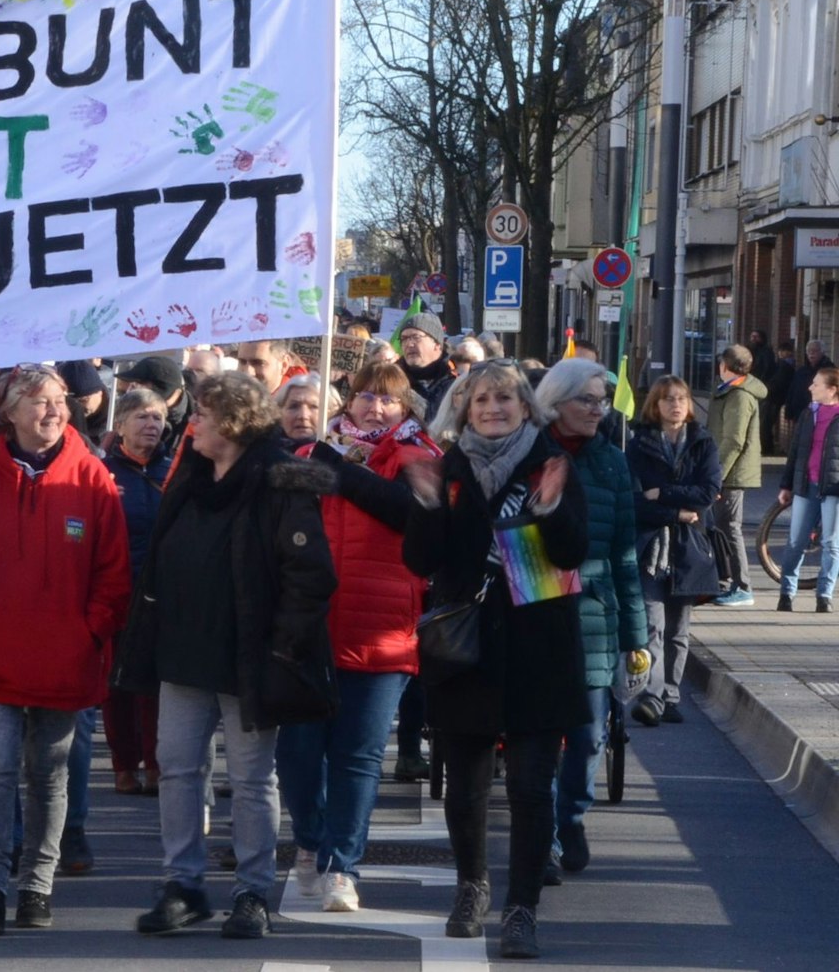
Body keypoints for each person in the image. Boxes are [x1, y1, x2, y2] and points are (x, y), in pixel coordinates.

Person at [134, 373, 336, 943]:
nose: (191, 424)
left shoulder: (279, 480)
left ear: (233, 423)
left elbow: (310, 575)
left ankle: (252, 892)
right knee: (176, 768)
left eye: (203, 414)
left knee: (250, 778)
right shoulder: (192, 477)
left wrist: (283, 646)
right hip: (183, 652)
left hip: (251, 657)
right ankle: (183, 886)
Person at [402, 360, 592, 959]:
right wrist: (430, 507)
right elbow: (421, 562)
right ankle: (471, 887)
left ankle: (521, 909)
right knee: (466, 787)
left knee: (533, 791)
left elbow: (573, 551)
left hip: (540, 645)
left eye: (505, 399)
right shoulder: (448, 469)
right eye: (481, 399)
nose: (492, 408)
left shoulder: (550, 462)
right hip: (467, 650)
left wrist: (551, 508)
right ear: (462, 408)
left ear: (526, 407)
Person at [0, 365, 130, 934]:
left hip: (64, 657)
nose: (54, 410)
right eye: (40, 401)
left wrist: (89, 630)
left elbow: (114, 575)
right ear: (9, 412)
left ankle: (37, 886)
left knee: (49, 774)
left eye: (60, 401)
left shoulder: (91, 477)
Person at [278, 362, 437, 912]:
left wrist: (341, 471)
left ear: (406, 409)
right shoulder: (312, 452)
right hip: (308, 629)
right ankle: (309, 836)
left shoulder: (420, 457)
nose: (375, 407)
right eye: (365, 397)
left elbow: (411, 517)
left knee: (358, 756)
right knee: (297, 752)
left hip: (381, 629)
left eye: (388, 400)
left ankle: (341, 866)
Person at [532, 358, 647, 883]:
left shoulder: (613, 463)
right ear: (558, 402)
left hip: (596, 617)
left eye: (603, 400)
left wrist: (637, 639)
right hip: (537, 611)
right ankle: (546, 841)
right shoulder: (530, 452)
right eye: (589, 400)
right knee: (537, 737)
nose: (599, 410)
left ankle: (572, 815)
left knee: (587, 738)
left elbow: (626, 556)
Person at [628, 377, 722, 729]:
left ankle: (670, 695)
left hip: (688, 549)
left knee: (678, 630)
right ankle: (651, 697)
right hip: (650, 547)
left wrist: (662, 492)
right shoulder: (639, 446)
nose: (676, 405)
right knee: (652, 625)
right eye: (668, 399)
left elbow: (707, 492)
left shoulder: (703, 443)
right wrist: (674, 512)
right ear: (655, 404)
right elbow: (635, 501)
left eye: (682, 398)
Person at [103, 388, 175, 796]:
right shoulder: (104, 471)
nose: (152, 425)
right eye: (142, 417)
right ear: (121, 424)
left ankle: (157, 763)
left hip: (161, 594)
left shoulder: (176, 469)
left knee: (156, 685)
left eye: (158, 417)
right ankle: (123, 765)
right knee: (117, 686)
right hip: (118, 590)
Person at [776, 366, 839, 612]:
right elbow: (795, 452)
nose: (810, 387)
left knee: (831, 543)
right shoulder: (808, 414)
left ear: (832, 390)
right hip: (806, 486)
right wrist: (786, 484)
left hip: (833, 489)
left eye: (816, 384)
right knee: (795, 542)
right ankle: (786, 593)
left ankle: (824, 595)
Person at [709, 347, 764, 607]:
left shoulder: (739, 396)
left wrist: (716, 476)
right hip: (729, 472)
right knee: (724, 527)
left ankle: (742, 586)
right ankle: (731, 581)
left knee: (729, 527)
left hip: (731, 473)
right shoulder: (732, 392)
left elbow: (733, 441)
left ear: (725, 366)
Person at [394, 310, 456, 421]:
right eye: (404, 339)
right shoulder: (391, 382)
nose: (409, 344)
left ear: (437, 344)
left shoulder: (457, 382)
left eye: (416, 337)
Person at [276, 372, 343, 445]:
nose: (303, 415)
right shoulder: (265, 450)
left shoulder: (343, 452)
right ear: (280, 411)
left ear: (331, 413)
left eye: (314, 407)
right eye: (294, 406)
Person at [235, 340, 304, 395]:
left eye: (258, 363)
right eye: (242, 362)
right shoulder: (230, 400)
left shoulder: (296, 408)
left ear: (284, 365)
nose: (248, 372)